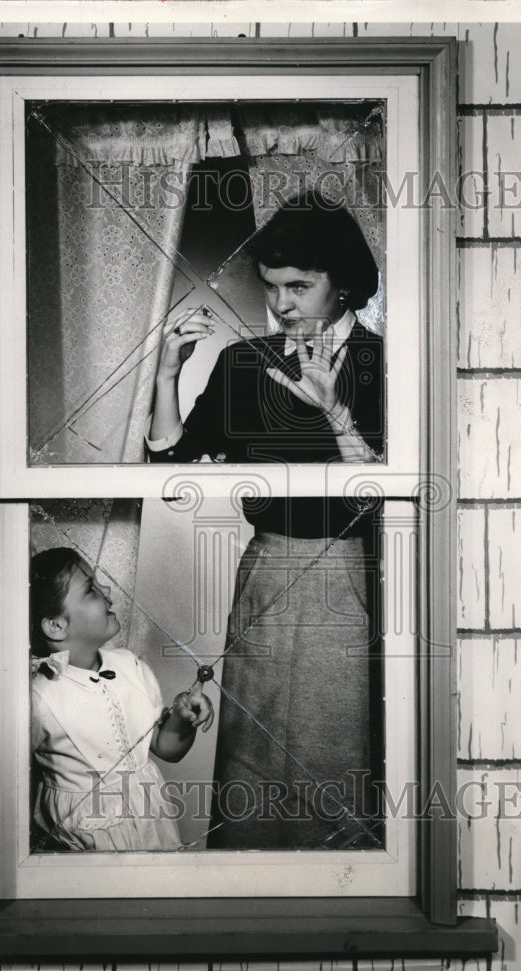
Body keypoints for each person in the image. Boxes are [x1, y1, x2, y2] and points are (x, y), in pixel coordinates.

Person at [146, 192, 384, 849]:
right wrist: (167, 376)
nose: (281, 305)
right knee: (256, 751)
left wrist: (334, 412)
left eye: (300, 286)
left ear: (344, 289)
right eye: (272, 287)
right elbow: (173, 474)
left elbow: (381, 503)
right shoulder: (243, 362)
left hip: (352, 577)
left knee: (335, 753)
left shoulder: (384, 364)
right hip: (266, 572)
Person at [30, 546, 213, 851]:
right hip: (84, 835)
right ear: (56, 626)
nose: (107, 590)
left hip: (149, 818)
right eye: (90, 589)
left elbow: (166, 748)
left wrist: (183, 719)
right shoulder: (38, 697)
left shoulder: (129, 665)